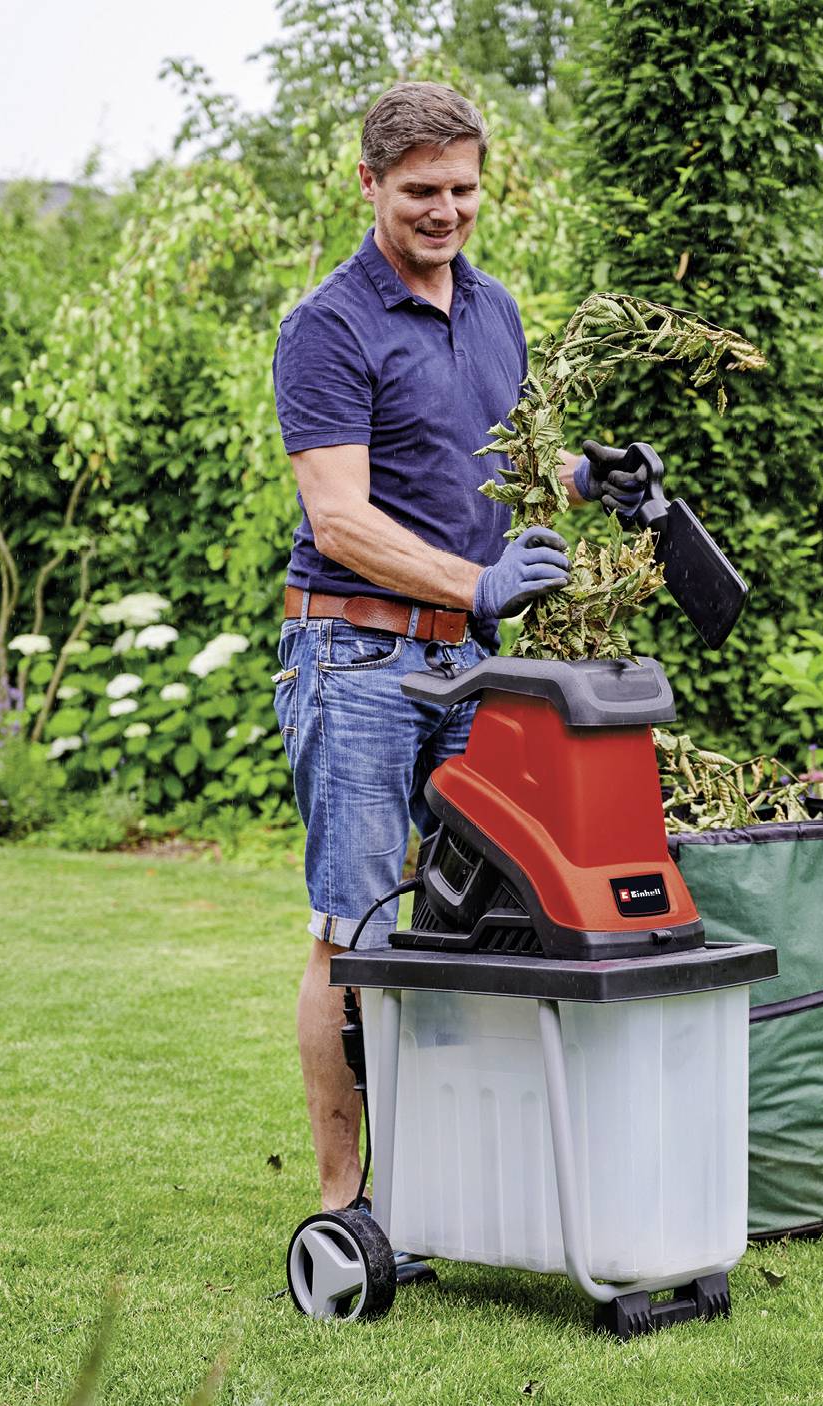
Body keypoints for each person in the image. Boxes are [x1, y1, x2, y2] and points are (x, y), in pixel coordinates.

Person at [271, 81, 656, 1217]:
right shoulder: (328, 327)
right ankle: (346, 1205)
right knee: (353, 932)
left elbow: (510, 466)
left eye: (463, 191)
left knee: (469, 916)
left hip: (473, 670)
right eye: (421, 192)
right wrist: (475, 582)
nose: (444, 212)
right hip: (359, 661)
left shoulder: (495, 310)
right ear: (369, 185)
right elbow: (339, 518)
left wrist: (593, 476)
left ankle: (445, 1180)